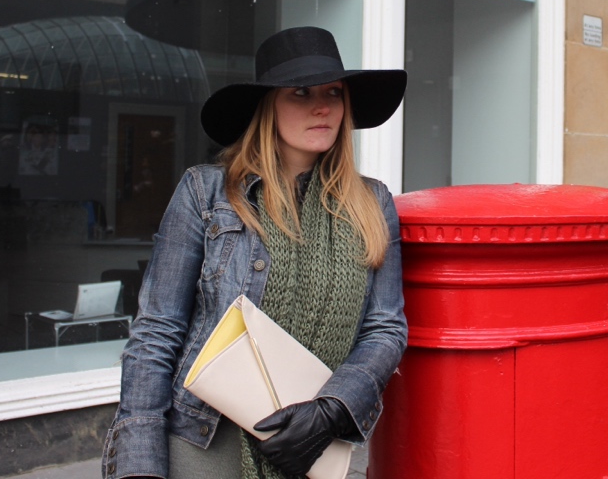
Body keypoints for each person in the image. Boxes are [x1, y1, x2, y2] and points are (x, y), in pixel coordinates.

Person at [102, 26, 408, 479]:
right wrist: (139, 464)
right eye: (300, 93)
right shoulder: (205, 193)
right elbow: (156, 331)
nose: (322, 106)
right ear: (268, 107)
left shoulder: (372, 202)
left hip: (310, 446)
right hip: (205, 441)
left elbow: (385, 327)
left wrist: (330, 411)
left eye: (333, 92)